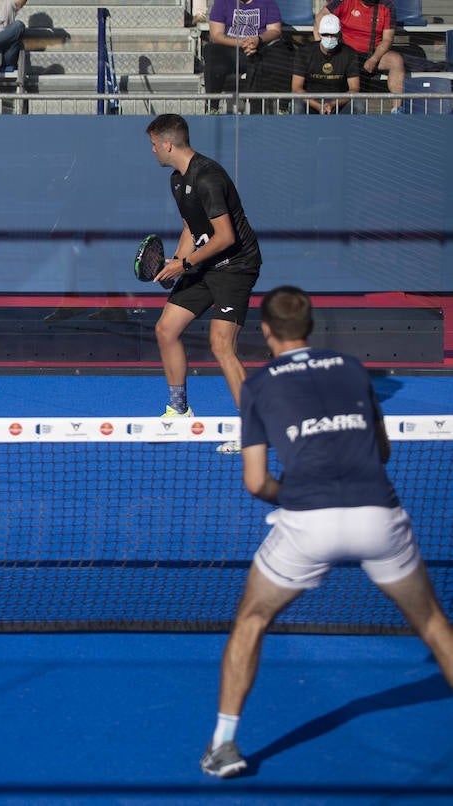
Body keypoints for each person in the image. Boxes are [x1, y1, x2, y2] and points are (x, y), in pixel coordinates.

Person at [199, 285, 453, 779]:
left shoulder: (257, 387)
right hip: (378, 515)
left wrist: (291, 493)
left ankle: (224, 745)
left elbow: (256, 482)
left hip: (307, 522)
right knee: (432, 623)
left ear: (266, 331)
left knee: (251, 620)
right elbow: (382, 452)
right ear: (310, 326)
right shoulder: (354, 370)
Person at [144, 114, 261, 449]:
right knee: (166, 329)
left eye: (154, 144)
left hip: (235, 266)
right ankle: (179, 411)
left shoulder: (208, 177)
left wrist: (185, 264)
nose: (152, 150)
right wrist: (175, 264)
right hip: (204, 263)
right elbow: (190, 229)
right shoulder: (177, 180)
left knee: (221, 345)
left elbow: (225, 237)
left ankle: (252, 428)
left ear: (168, 145)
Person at [202, 0, 283, 114]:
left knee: (273, 56)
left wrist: (258, 40)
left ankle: (258, 113)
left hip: (259, 47)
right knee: (211, 52)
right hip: (230, 48)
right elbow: (216, 35)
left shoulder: (267, 2)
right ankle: (212, 108)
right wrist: (241, 43)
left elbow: (275, 30)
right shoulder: (222, 2)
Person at [319, 0, 404, 97]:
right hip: (345, 53)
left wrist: (374, 59)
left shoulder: (387, 5)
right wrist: (323, 48)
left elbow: (387, 39)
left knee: (396, 60)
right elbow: (321, 17)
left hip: (372, 54)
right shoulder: (344, 1)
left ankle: (397, 105)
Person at [291, 14, 362, 114]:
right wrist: (318, 106)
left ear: (339, 35)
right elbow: (296, 88)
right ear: (319, 34)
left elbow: (354, 89)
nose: (329, 38)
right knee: (297, 105)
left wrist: (333, 104)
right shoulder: (304, 52)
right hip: (310, 100)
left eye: (333, 35)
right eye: (325, 34)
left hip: (339, 101)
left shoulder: (349, 54)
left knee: (359, 105)